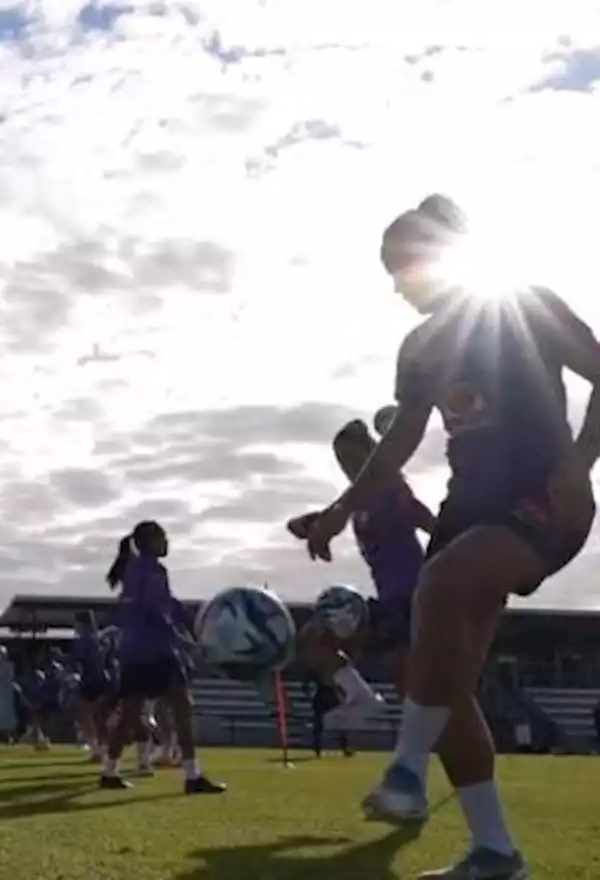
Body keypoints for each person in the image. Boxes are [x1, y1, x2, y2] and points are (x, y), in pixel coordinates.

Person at [299, 194, 598, 879]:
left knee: (441, 582)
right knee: (448, 688)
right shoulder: (422, 347)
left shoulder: (527, 306)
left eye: (399, 265)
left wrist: (578, 463)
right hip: (469, 508)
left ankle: (404, 771)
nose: (395, 284)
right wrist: (344, 507)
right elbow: (402, 436)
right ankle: (496, 852)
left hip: (542, 499)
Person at [289, 419, 434, 727]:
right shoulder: (355, 499)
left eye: (352, 458)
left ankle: (416, 753)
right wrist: (314, 525)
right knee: (314, 638)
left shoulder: (392, 488)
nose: (347, 466)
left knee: (409, 682)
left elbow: (428, 521)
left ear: (372, 455)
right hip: (388, 599)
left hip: (412, 594)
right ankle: (361, 696)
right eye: (341, 461)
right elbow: (300, 525)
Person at [97, 520, 225, 794]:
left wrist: (193, 620)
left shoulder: (135, 570)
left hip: (133, 652)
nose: (168, 542)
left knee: (130, 714)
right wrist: (183, 640)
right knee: (182, 708)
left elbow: (168, 604)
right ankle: (192, 776)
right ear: (152, 541)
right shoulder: (153, 570)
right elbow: (156, 610)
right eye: (163, 537)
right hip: (156, 651)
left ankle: (109, 771)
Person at [72, 611, 108, 761]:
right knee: (99, 716)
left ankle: (96, 749)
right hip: (102, 678)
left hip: (89, 679)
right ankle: (102, 748)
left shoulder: (84, 640)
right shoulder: (98, 638)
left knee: (84, 714)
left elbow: (79, 660)